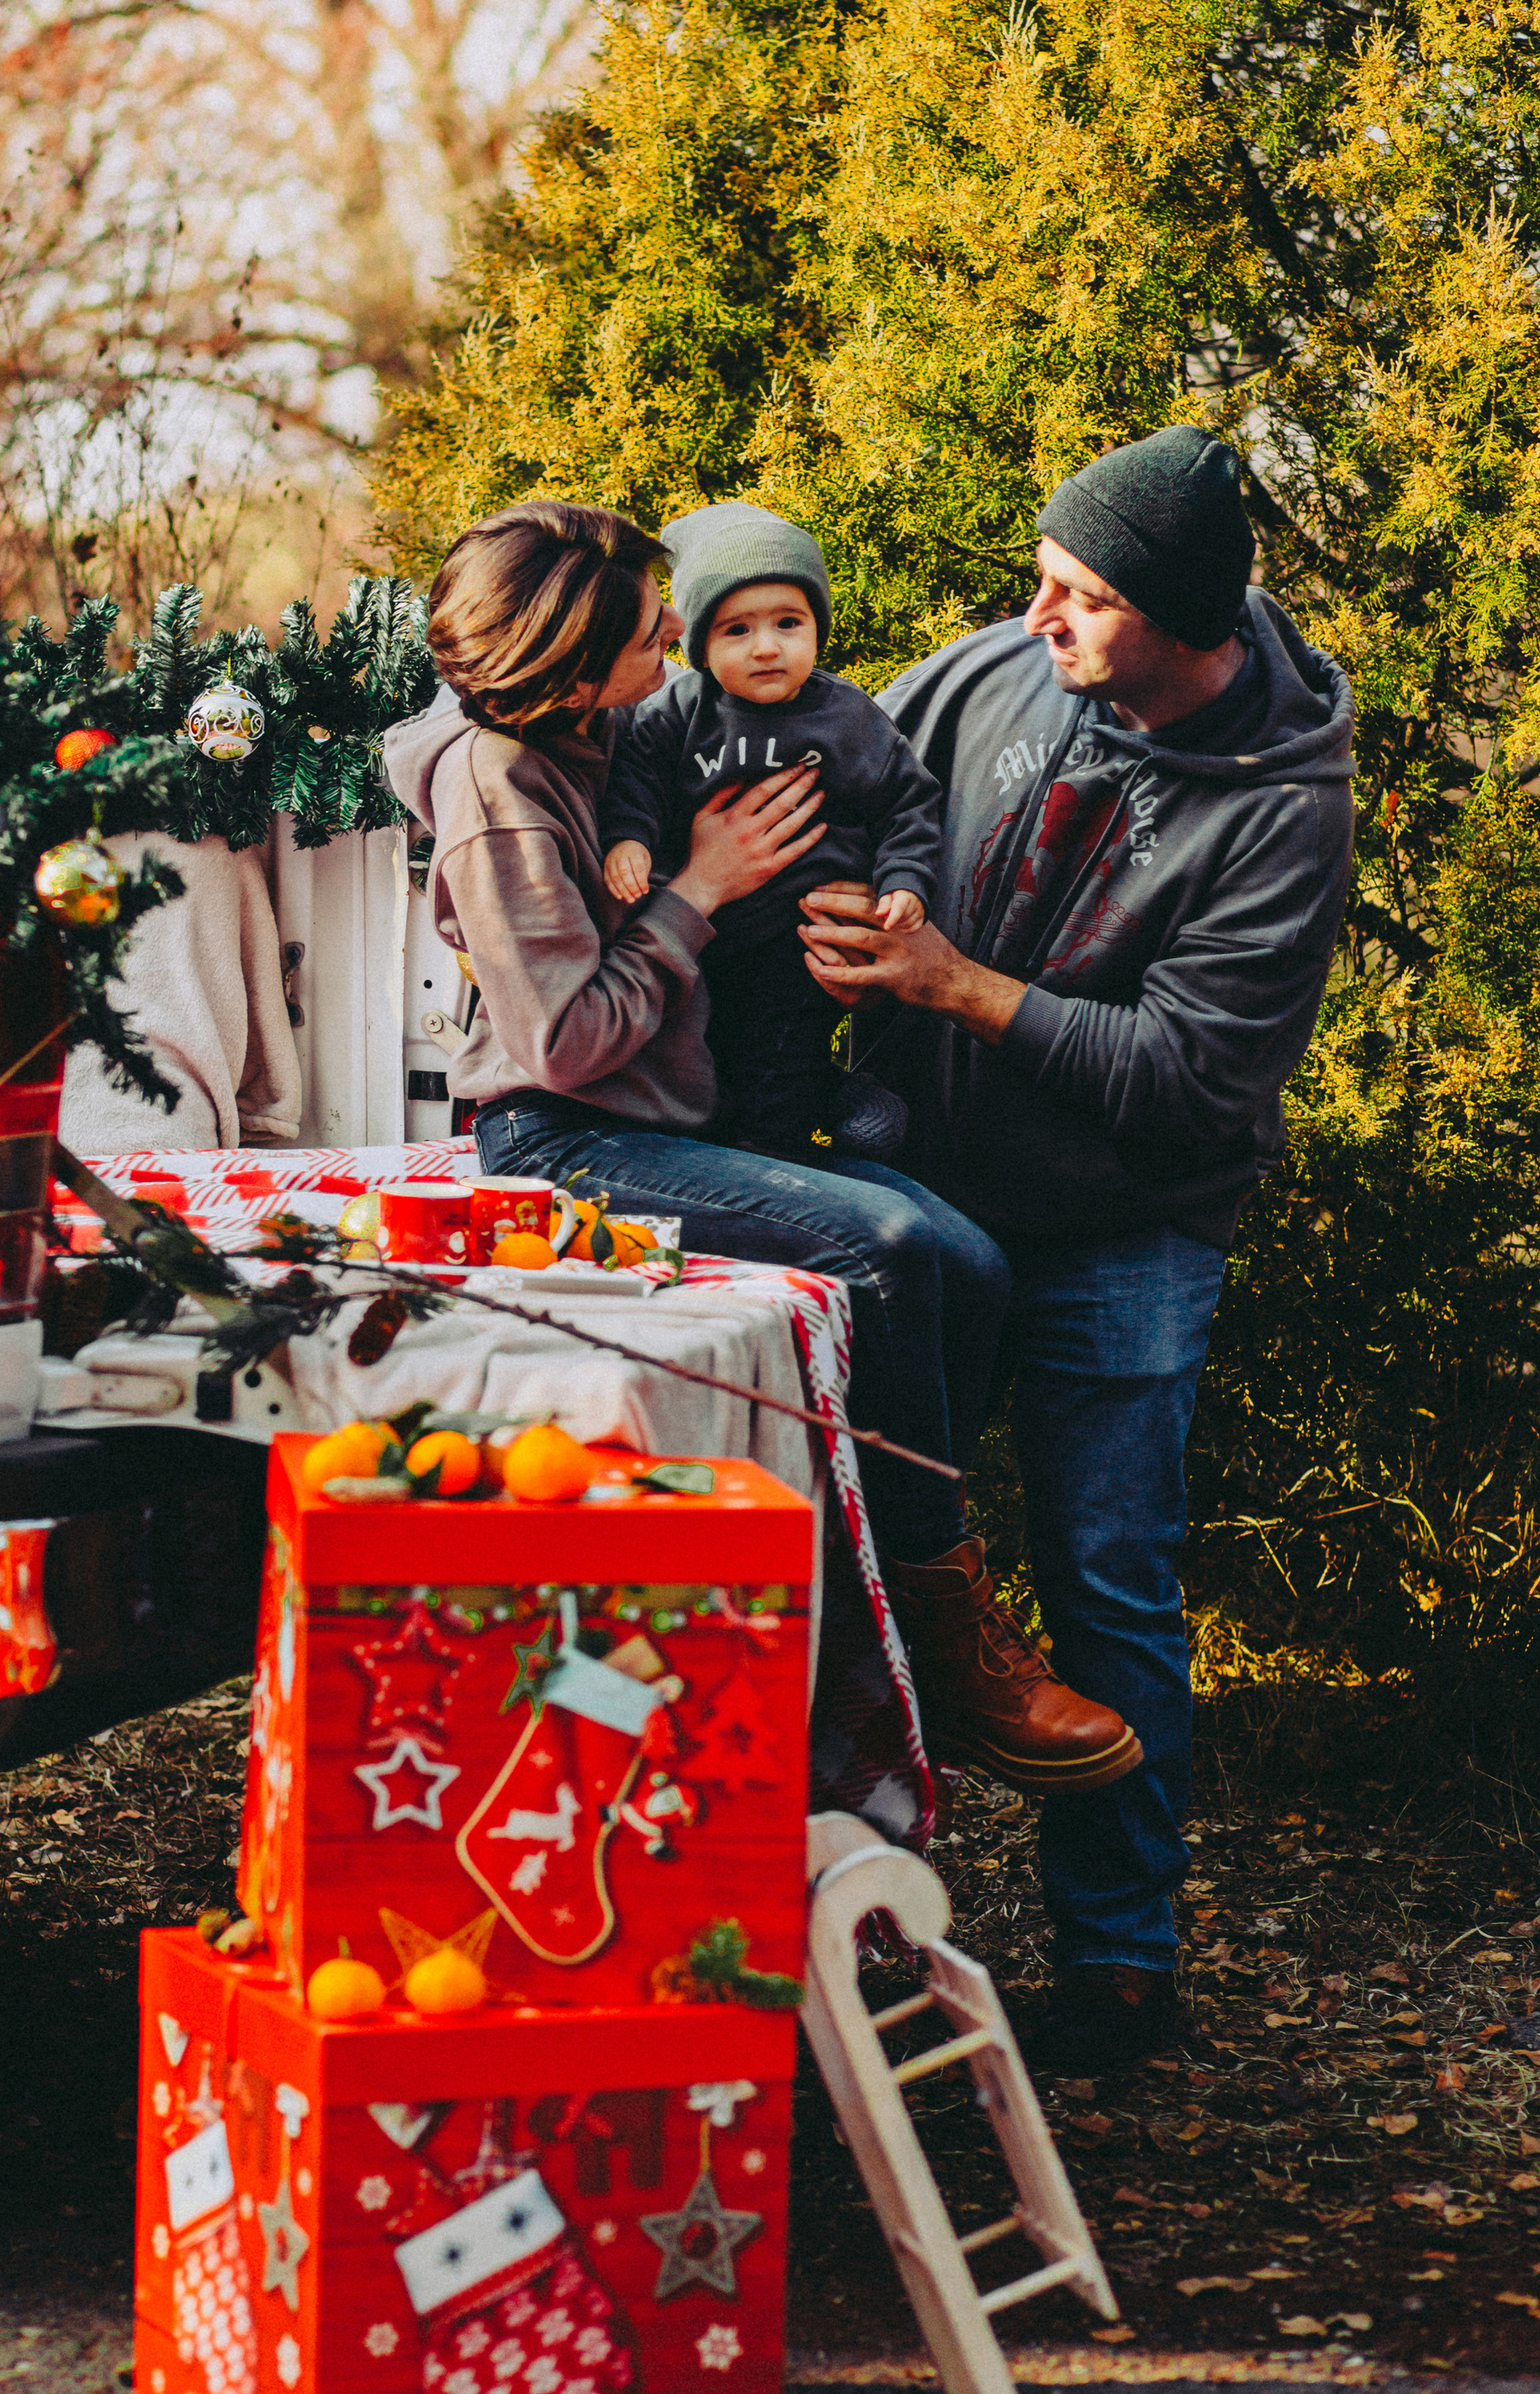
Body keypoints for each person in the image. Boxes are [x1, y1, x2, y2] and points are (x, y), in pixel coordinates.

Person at [381, 495, 1142, 1837]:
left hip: (680, 1124)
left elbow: (800, 761)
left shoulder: (606, 728)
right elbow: (562, 1042)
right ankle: (939, 1640)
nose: (677, 641)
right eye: (647, 634)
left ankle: (906, 1593)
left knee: (965, 1255)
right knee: (891, 1249)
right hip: (566, 1142)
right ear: (566, 678)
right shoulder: (500, 794)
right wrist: (702, 889)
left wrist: (836, 889)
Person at [801, 426, 1356, 2071]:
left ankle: (1119, 1958)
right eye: (1041, 579)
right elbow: (841, 785)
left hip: (1124, 1236)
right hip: (916, 1211)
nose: (1031, 615)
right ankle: (851, 1927)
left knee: (1109, 1584)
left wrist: (953, 986)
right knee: (872, 1568)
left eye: (1078, 595)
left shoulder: (1284, 812)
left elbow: (1190, 1087)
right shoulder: (991, 674)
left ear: (1178, 623)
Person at [599, 502, 941, 1155]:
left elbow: (908, 804)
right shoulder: (678, 711)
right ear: (699, 644)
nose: (766, 646)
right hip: (700, 938)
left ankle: (783, 1158)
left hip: (801, 942)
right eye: (736, 630)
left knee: (780, 1066)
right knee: (702, 1061)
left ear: (818, 628)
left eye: (789, 623)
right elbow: (635, 779)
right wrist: (630, 841)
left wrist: (904, 879)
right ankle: (802, 1115)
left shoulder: (847, 718)